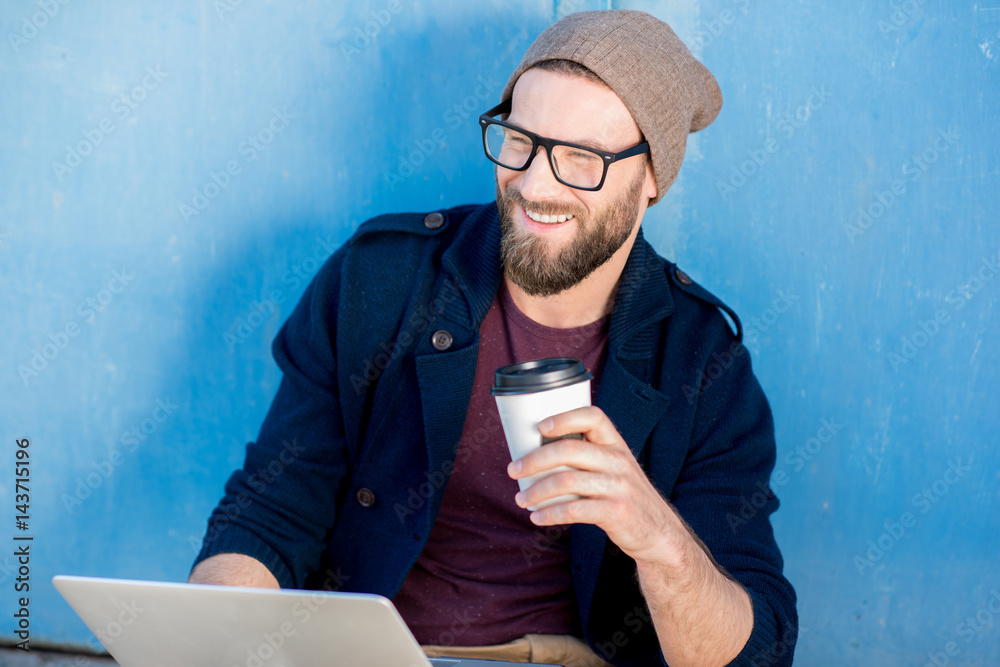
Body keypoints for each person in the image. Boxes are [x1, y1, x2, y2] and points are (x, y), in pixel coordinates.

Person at [189, 9, 797, 667]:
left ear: (651, 179)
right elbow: (273, 510)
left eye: (581, 159)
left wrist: (654, 532)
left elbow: (753, 654)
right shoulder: (381, 281)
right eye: (520, 141)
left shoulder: (703, 362)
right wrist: (215, 634)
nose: (536, 185)